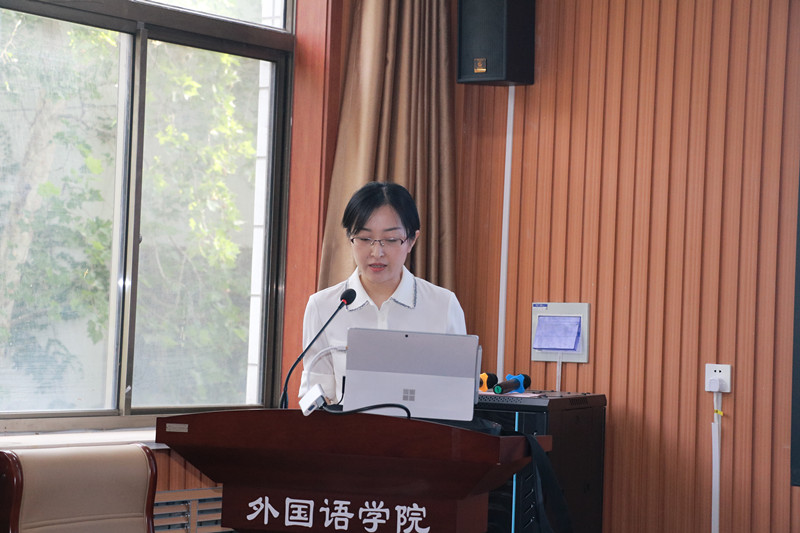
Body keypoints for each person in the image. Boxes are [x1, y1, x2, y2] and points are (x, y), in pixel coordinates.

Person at [298, 181, 466, 403]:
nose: (377, 252)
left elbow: (457, 396)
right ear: (350, 238)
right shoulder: (324, 307)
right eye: (364, 239)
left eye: (391, 240)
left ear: (411, 241)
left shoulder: (443, 305)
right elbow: (315, 392)